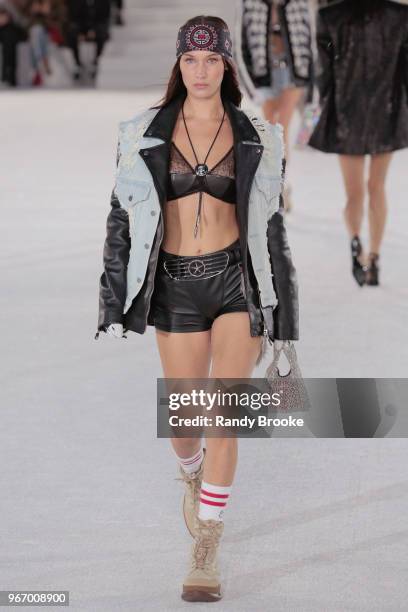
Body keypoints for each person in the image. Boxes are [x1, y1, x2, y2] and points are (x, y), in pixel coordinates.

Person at [95, 15, 299, 602]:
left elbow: (273, 231)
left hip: (236, 281)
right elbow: (120, 221)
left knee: (224, 411)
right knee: (186, 420)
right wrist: (113, 298)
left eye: (213, 61)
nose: (202, 71)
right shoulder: (141, 132)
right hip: (175, 287)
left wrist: (285, 319)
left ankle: (206, 544)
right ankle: (191, 473)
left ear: (228, 65)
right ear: (179, 64)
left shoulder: (260, 133)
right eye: (191, 59)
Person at [308, 0, 408, 286]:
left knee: (354, 193)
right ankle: (374, 257)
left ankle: (355, 242)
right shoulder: (400, 16)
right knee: (377, 187)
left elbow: (323, 75)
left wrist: (320, 112)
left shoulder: (331, 16)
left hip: (347, 110)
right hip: (386, 110)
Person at [234, 0, 313, 211]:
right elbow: (240, 45)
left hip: (293, 72)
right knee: (269, 130)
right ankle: (277, 185)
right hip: (264, 74)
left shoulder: (299, 3)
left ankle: (279, 186)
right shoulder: (250, 4)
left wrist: (311, 81)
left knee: (281, 128)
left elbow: (310, 40)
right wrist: (251, 87)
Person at [66, 0, 110, 80]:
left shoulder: (103, 2)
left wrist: (93, 30)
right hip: (82, 28)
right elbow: (74, 16)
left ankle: (96, 62)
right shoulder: (76, 2)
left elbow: (104, 16)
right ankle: (77, 63)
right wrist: (80, 32)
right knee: (72, 34)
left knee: (102, 34)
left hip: (97, 27)